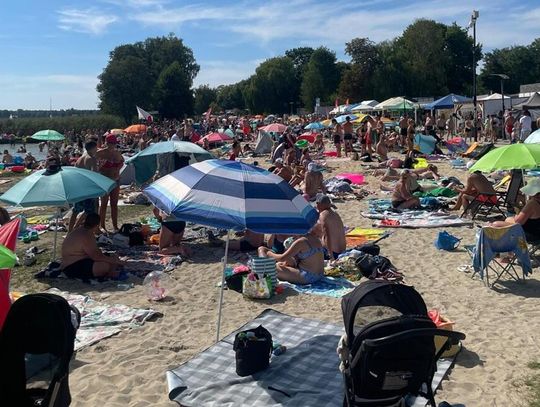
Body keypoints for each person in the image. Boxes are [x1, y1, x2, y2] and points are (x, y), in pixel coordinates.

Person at [60, 213, 124, 280]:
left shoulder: (81, 230)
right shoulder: (86, 235)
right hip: (71, 266)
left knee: (112, 257)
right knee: (105, 266)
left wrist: (112, 259)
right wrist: (115, 261)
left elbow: (95, 253)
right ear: (97, 225)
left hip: (80, 260)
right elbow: (97, 257)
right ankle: (111, 272)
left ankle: (111, 270)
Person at [258, 229, 325, 284]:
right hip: (319, 274)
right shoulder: (314, 238)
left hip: (308, 277)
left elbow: (282, 258)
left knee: (271, 268)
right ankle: (264, 267)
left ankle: (262, 270)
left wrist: (269, 253)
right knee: (279, 264)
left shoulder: (300, 242)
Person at [68, 141, 99, 232]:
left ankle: (70, 231)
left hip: (78, 187)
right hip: (88, 189)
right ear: (93, 148)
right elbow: (95, 174)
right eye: (96, 148)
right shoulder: (91, 159)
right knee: (90, 210)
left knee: (75, 211)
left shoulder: (79, 159)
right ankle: (76, 227)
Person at [96, 134, 124, 233]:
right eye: (110, 143)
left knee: (114, 204)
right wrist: (100, 167)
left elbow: (122, 162)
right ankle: (102, 225)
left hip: (115, 180)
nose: (112, 145)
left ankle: (115, 226)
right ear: (106, 143)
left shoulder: (117, 153)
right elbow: (94, 165)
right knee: (103, 204)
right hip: (105, 181)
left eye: (114, 143)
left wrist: (117, 169)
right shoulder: (100, 153)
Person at [315, 194, 346, 259]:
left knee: (311, 238)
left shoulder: (323, 215)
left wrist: (330, 255)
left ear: (318, 204)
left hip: (333, 253)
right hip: (343, 250)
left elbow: (327, 236)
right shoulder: (335, 213)